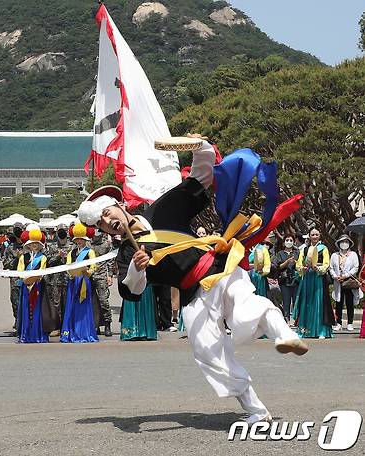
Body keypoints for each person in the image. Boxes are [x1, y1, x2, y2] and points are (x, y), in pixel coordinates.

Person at [76, 138, 308, 423]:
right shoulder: (127, 251)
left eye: (107, 213)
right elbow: (131, 292)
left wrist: (201, 147)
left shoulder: (162, 209)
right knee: (207, 350)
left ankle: (285, 336)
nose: (106, 221)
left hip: (218, 268)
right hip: (191, 293)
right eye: (100, 222)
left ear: (120, 205)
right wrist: (137, 270)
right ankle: (257, 411)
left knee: (245, 305)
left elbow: (201, 176)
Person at [61, 223, 99, 343]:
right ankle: (72, 331)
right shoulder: (71, 253)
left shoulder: (90, 252)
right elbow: (68, 266)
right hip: (73, 281)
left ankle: (84, 332)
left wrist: (87, 272)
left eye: (81, 239)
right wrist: (71, 273)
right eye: (77, 239)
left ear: (85, 240)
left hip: (84, 281)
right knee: (72, 305)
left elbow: (93, 266)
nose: (79, 241)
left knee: (83, 307)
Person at [293, 228, 334, 339]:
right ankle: (305, 330)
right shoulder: (305, 249)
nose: (315, 236)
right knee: (307, 302)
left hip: (318, 277)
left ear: (319, 236)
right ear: (309, 236)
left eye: (316, 234)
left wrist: (318, 268)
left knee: (318, 301)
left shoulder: (323, 248)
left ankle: (321, 331)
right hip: (307, 277)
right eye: (313, 234)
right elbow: (298, 263)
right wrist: (302, 268)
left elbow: (326, 263)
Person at [16, 225, 48, 343]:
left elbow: (42, 271)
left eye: (36, 243)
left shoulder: (43, 257)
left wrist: (34, 278)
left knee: (36, 309)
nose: (34, 245)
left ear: (39, 244)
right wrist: (24, 277)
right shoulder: (23, 257)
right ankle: (26, 334)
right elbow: (20, 271)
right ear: (28, 244)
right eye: (32, 243)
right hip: (26, 286)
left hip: (37, 286)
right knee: (25, 309)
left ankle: (36, 333)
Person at [42, 223, 71, 336]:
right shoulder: (52, 247)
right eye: (60, 231)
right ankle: (57, 327)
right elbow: (48, 262)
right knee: (56, 305)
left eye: (64, 230)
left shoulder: (72, 246)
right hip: (55, 280)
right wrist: (59, 256)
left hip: (68, 279)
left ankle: (66, 326)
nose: (62, 233)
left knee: (67, 303)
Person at [329, 234, 361, 332]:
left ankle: (350, 323)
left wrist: (345, 276)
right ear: (338, 244)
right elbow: (330, 268)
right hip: (338, 282)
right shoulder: (335, 255)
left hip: (348, 282)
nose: (344, 244)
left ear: (349, 244)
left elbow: (356, 267)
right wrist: (335, 276)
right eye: (342, 242)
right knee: (339, 303)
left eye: (346, 242)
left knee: (349, 303)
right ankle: (338, 322)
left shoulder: (353, 255)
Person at [90, 230, 113, 336]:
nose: (95, 237)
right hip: (89, 275)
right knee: (92, 302)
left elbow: (110, 261)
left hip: (101, 275)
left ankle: (107, 324)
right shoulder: (88, 244)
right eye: (94, 236)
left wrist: (110, 275)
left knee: (103, 300)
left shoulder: (106, 245)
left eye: (97, 236)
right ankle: (96, 325)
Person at [272, 234, 300, 323]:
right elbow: (278, 266)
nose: (289, 242)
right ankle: (286, 319)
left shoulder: (297, 253)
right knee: (286, 301)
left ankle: (297, 320)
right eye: (287, 240)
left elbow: (300, 264)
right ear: (284, 243)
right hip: (284, 281)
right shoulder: (280, 254)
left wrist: (295, 262)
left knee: (296, 301)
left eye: (291, 240)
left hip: (295, 280)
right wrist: (287, 262)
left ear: (294, 242)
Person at [3, 224, 24, 332]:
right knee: (15, 301)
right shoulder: (10, 248)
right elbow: (6, 264)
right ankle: (17, 320)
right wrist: (17, 258)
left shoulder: (29, 246)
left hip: (28, 278)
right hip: (15, 279)